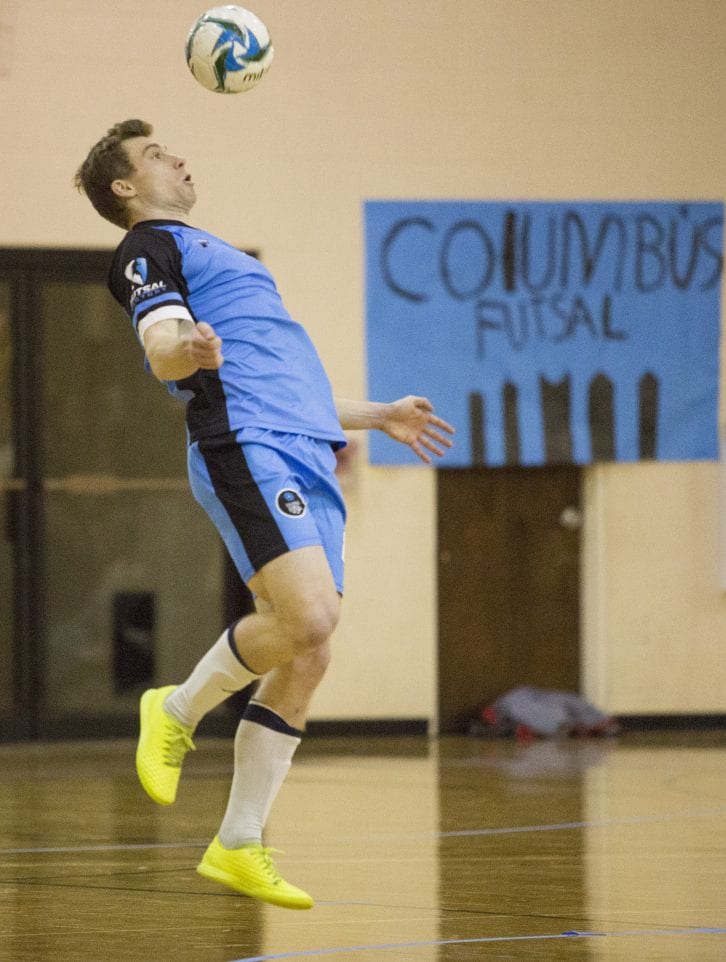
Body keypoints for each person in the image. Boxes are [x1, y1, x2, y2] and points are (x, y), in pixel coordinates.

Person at [74, 119, 454, 910]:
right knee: (309, 618)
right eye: (154, 155)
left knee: (309, 651)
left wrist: (377, 414)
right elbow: (165, 350)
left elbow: (290, 384)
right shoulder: (148, 249)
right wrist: (190, 355)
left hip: (306, 448)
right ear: (124, 187)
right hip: (244, 443)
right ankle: (173, 710)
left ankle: (239, 842)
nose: (176, 156)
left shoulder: (229, 259)